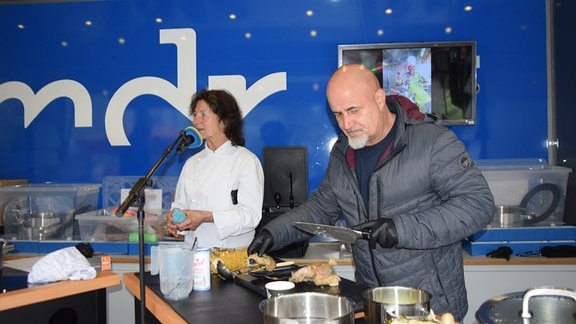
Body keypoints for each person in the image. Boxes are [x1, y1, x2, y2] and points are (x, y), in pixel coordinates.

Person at [248, 64, 494, 321]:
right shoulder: (343, 153)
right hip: (372, 302)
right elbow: (320, 209)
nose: (346, 123)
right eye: (338, 114)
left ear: (379, 99)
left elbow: (478, 205)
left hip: (430, 307)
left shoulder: (433, 142)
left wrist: (400, 229)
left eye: (353, 110)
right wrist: (273, 232)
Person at [167, 89, 264, 249]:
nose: (195, 121)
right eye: (195, 115)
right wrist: (175, 218)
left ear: (224, 121)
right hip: (194, 254)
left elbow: (250, 216)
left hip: (231, 258)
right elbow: (180, 203)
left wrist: (205, 217)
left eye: (203, 115)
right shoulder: (192, 163)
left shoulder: (246, 161)